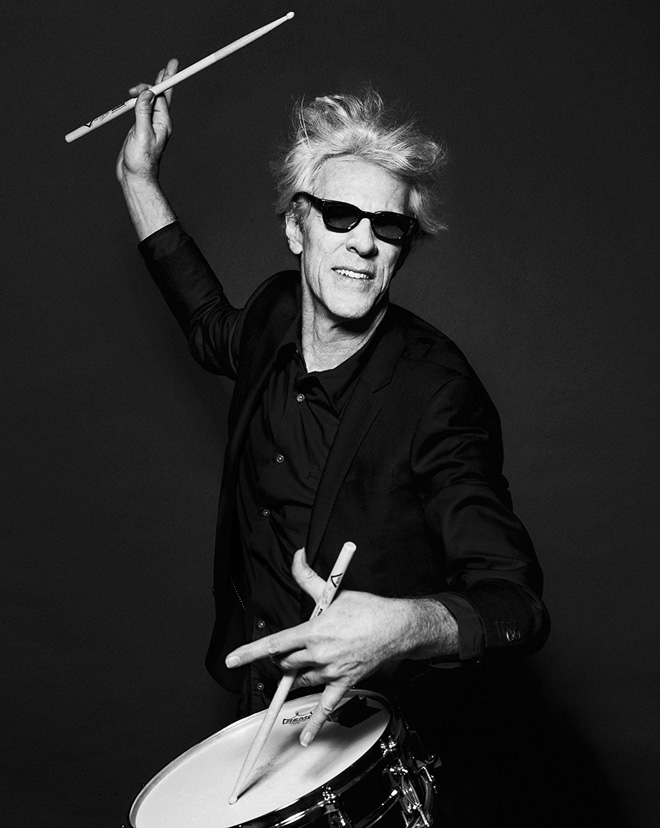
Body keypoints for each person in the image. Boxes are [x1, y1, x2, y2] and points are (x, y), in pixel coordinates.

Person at [117, 60, 549, 822]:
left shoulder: (438, 393)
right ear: (296, 227)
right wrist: (137, 177)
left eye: (388, 227)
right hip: (258, 708)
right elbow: (209, 325)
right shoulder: (275, 314)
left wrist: (403, 626)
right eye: (340, 216)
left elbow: (516, 603)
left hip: (369, 742)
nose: (363, 244)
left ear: (403, 247)